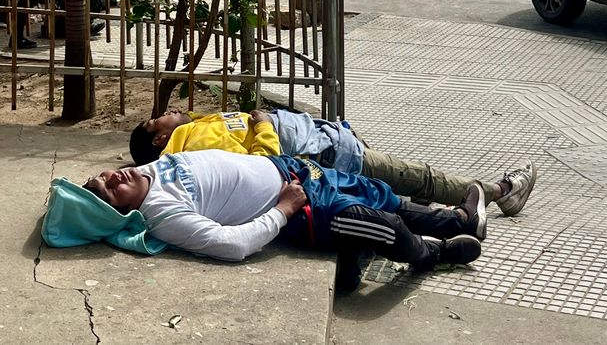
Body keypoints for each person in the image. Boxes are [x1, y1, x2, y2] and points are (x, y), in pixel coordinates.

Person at [42, 149, 487, 292]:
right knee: (371, 221)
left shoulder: (149, 167)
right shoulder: (163, 215)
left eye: (103, 176)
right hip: (299, 208)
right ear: (121, 210)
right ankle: (432, 253)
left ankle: (455, 220)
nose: (113, 176)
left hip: (291, 169)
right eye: (109, 189)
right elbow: (231, 245)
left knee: (376, 191)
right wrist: (284, 209)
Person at [129, 108, 536, 216]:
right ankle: (502, 192)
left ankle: (463, 207)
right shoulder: (193, 143)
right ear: (160, 138)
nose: (169, 111)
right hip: (328, 158)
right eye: (158, 118)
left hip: (330, 143)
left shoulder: (199, 127)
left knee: (407, 186)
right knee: (419, 178)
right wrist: (266, 125)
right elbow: (260, 166)